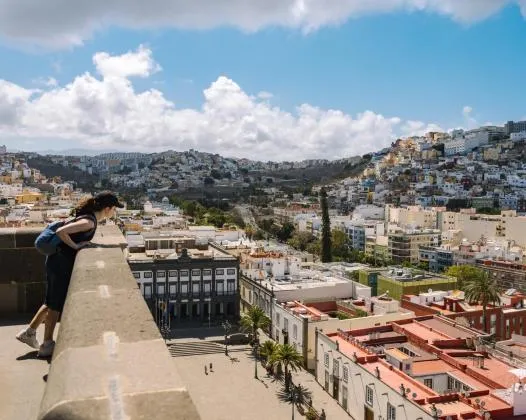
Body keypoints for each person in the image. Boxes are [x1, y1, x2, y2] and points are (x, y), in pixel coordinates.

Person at [16, 191, 124, 357]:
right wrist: (75, 247)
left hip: (56, 261)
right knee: (55, 305)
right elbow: (62, 232)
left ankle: (29, 332)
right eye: (114, 209)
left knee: (50, 300)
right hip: (60, 264)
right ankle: (47, 344)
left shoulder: (88, 217)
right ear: (108, 208)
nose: (114, 212)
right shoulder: (89, 221)